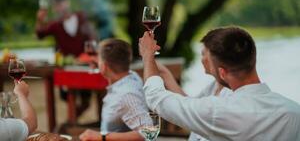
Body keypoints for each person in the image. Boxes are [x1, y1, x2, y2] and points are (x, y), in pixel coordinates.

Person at [139, 26, 300, 141]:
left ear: (222, 73)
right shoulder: (293, 111)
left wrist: (147, 56)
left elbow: (156, 97)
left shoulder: (218, 111)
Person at [35, 0, 96, 115]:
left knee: (86, 100)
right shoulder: (55, 25)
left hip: (85, 66)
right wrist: (40, 20)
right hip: (65, 68)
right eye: (55, 5)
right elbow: (40, 34)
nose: (58, 7)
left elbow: (92, 37)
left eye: (60, 4)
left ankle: (72, 121)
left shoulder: (81, 17)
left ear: (67, 2)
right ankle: (72, 122)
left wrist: (91, 55)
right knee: (66, 96)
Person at [79, 39, 149, 141]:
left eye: (99, 59)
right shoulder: (131, 76)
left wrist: (101, 137)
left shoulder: (126, 95)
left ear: (103, 66)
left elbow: (148, 133)